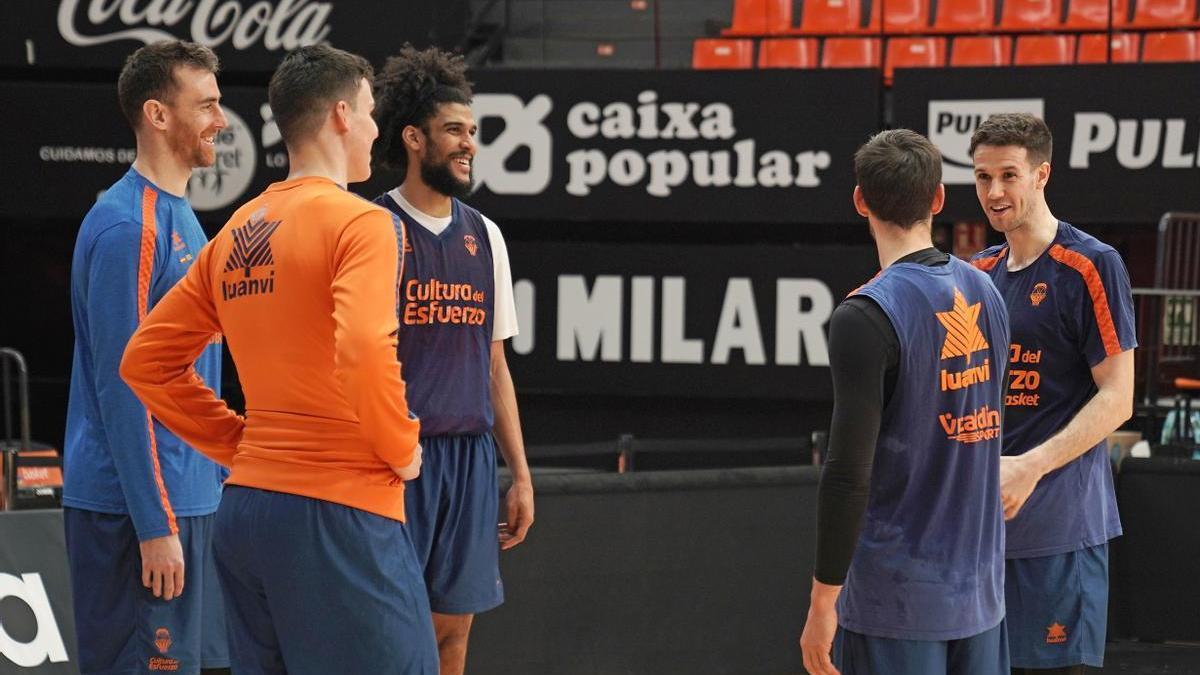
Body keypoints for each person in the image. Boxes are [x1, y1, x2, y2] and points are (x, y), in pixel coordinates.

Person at [120, 44, 437, 673]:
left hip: (247, 513)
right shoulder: (362, 223)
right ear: (342, 115)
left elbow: (145, 362)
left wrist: (241, 444)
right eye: (370, 113)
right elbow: (363, 348)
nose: (376, 130)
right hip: (341, 509)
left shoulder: (236, 230)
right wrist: (402, 446)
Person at [799, 129, 1011, 675]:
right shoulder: (987, 290)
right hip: (981, 594)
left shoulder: (864, 315)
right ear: (938, 198)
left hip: (897, 600)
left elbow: (848, 472)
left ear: (860, 200)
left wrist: (823, 602)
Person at [63, 40, 230, 675]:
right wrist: (155, 524)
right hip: (135, 514)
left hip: (185, 502)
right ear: (158, 114)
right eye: (206, 105)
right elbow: (123, 388)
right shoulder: (129, 226)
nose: (221, 120)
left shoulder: (180, 217)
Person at [370, 44, 534, 674]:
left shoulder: (485, 235)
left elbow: (495, 367)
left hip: (469, 462)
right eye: (454, 131)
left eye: (473, 132)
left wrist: (520, 474)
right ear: (413, 138)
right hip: (395, 461)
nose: (469, 144)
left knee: (452, 635)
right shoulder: (372, 228)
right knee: (390, 635)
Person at [969, 113, 1135, 674]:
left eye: (1008, 175)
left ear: (1042, 175)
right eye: (983, 177)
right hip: (983, 533)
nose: (994, 192)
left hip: (1060, 531)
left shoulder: (1091, 264)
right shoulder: (977, 273)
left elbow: (1118, 397)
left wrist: (1030, 467)